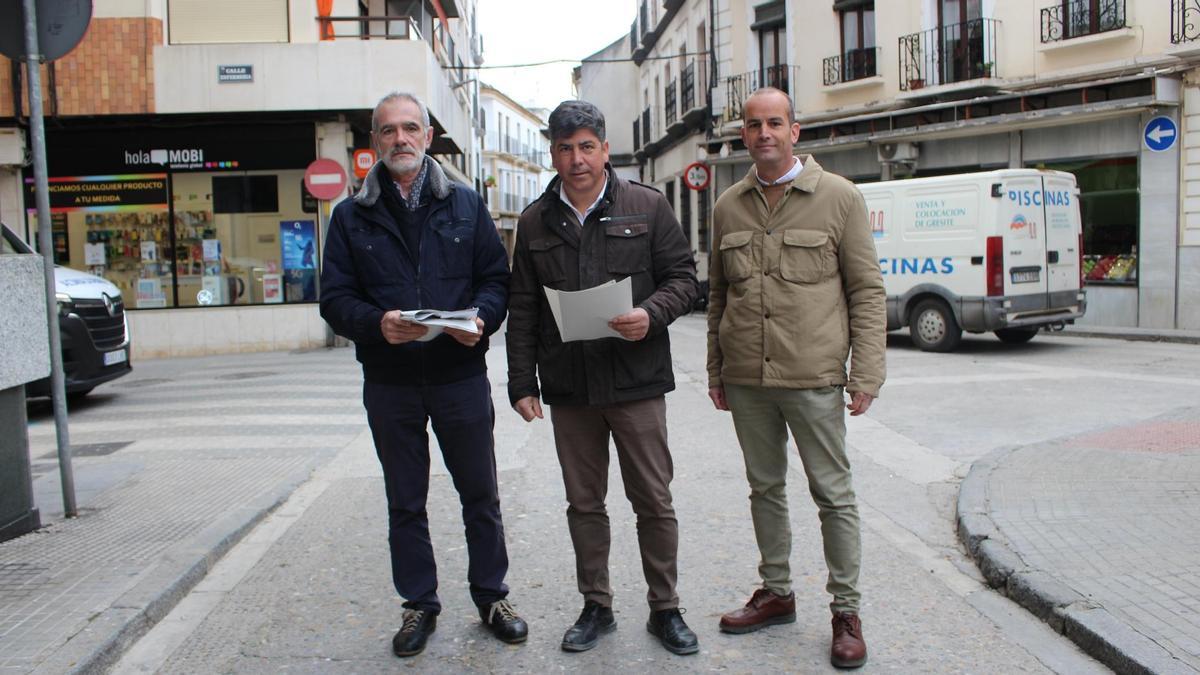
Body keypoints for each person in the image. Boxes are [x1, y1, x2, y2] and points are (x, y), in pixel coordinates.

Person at [319, 91, 527, 658]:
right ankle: (419, 605)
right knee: (405, 500)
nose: (401, 139)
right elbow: (334, 299)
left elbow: (495, 279)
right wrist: (375, 323)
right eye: (388, 131)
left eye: (411, 128)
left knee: (479, 493)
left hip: (458, 375)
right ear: (375, 144)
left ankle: (491, 596)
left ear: (428, 137)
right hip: (390, 383)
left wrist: (481, 319)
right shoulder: (350, 216)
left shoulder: (465, 205)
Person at [505, 100, 700, 656]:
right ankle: (597, 605)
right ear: (553, 153)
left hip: (636, 380)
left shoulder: (648, 206)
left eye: (586, 146)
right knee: (584, 503)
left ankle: (666, 608)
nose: (576, 159)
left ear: (605, 149)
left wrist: (651, 313)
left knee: (653, 500)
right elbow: (523, 308)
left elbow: (684, 280)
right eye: (565, 148)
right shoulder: (535, 220)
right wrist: (522, 383)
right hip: (570, 388)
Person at [706, 87, 886, 670]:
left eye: (774, 123)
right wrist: (717, 370)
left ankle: (846, 612)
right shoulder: (728, 205)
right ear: (744, 135)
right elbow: (717, 298)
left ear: (795, 131)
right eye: (753, 125)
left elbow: (866, 290)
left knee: (833, 494)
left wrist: (867, 372)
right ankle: (777, 593)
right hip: (748, 378)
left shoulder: (839, 198)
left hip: (813, 378)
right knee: (765, 488)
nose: (764, 134)